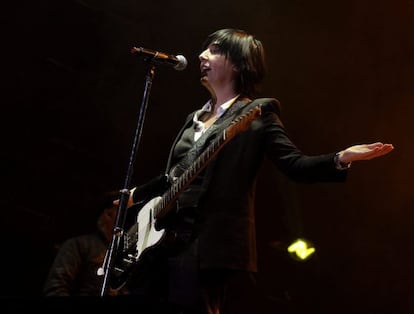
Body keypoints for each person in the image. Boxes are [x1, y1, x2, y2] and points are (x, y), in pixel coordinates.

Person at [111, 28, 394, 313]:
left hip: (207, 245)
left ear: (238, 62)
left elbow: (295, 165)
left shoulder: (258, 115)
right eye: (204, 49)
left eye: (215, 50)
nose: (201, 55)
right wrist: (135, 196)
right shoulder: (193, 119)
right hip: (161, 245)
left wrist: (340, 157)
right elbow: (172, 177)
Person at [43, 191, 128, 296]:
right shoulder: (78, 245)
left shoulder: (123, 255)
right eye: (124, 213)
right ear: (108, 214)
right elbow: (55, 288)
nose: (128, 218)